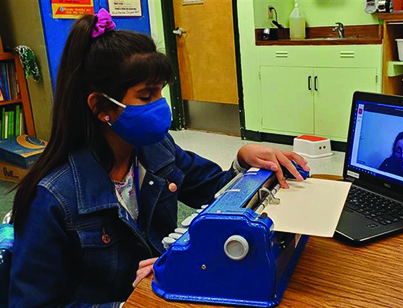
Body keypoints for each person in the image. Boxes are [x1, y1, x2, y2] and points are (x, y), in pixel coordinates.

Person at [8, 9, 308, 307]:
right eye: (146, 95)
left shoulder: (156, 148)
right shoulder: (51, 198)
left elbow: (214, 191)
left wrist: (242, 162)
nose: (161, 107)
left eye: (161, 93)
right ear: (101, 107)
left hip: (164, 293)